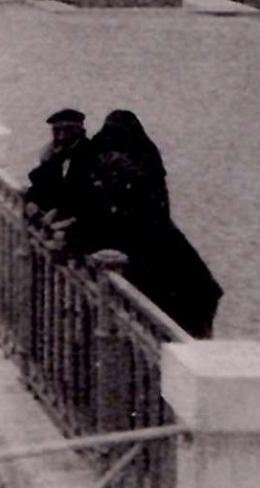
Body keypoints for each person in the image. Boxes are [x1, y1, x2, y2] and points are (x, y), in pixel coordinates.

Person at [78, 111, 223, 338]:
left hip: (150, 235)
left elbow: (156, 206)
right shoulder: (93, 161)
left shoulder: (144, 162)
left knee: (200, 286)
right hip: (114, 240)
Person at [24, 108, 93, 231]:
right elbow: (39, 182)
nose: (61, 135)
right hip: (49, 221)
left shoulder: (88, 154)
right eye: (57, 130)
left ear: (79, 130)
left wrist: (58, 212)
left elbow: (82, 194)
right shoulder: (56, 154)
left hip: (74, 225)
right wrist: (30, 201)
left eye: (67, 130)